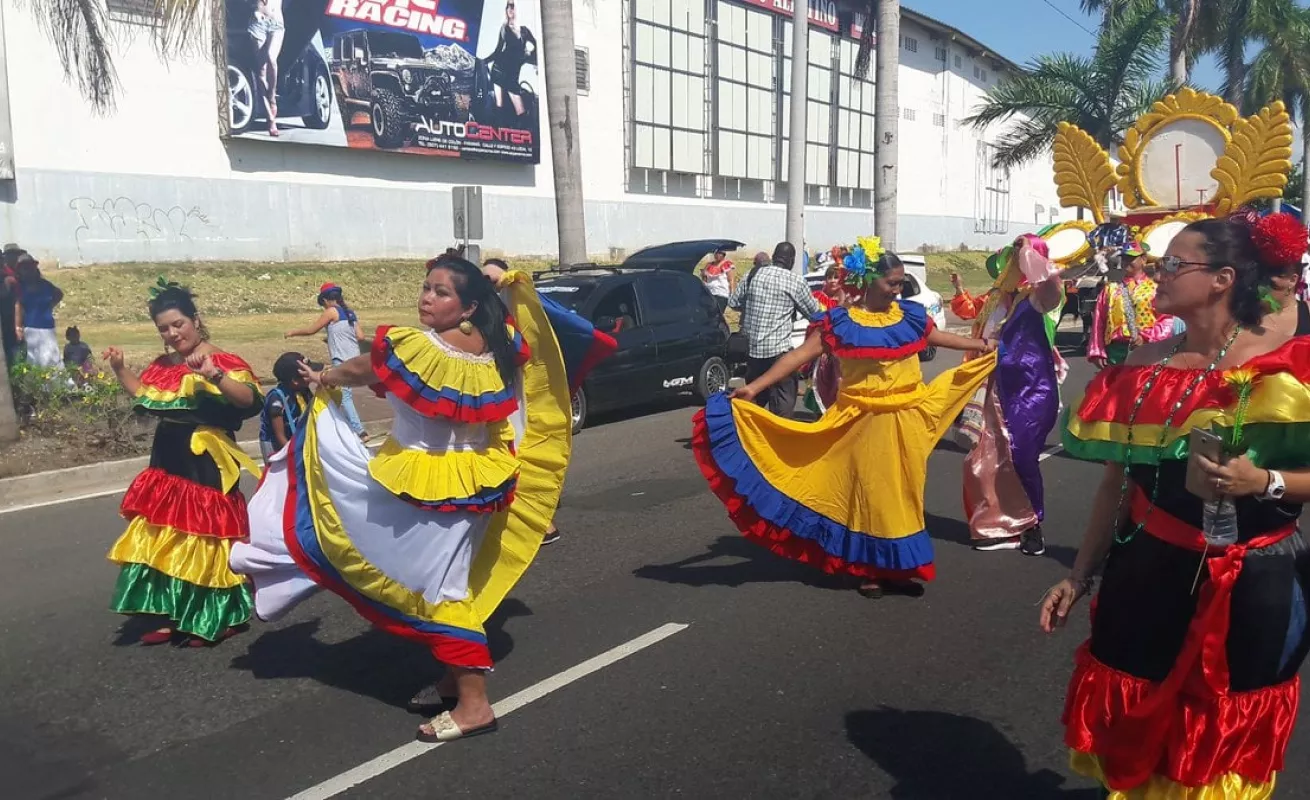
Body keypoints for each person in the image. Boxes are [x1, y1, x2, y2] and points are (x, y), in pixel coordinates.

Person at [230, 255, 572, 742]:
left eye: (441, 292)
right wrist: (500, 287)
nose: (427, 298)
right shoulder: (495, 341)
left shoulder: (420, 347)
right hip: (473, 482)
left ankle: (475, 705)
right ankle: (453, 681)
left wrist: (325, 379)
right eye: (426, 287)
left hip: (431, 486)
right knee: (443, 581)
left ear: (468, 306)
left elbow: (362, 367)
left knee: (436, 589)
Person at [1042, 216, 1310, 799]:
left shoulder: (1293, 365)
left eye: (1174, 265)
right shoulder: (1142, 364)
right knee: (1135, 714)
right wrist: (1079, 575)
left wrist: (1263, 481)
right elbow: (1117, 484)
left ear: (1222, 279)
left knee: (1225, 732)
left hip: (1255, 579)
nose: (1158, 274)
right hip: (1148, 572)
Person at [693, 240, 998, 598]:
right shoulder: (840, 323)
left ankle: (897, 566)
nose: (898, 289)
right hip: (860, 424)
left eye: (900, 283)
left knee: (903, 495)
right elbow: (797, 357)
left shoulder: (910, 316)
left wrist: (981, 346)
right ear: (869, 281)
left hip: (906, 422)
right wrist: (754, 387)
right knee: (869, 495)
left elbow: (938, 337)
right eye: (892, 283)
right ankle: (869, 570)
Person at [103, 280, 262, 646]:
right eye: (164, 328)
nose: (172, 334)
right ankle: (173, 611)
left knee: (205, 536)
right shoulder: (164, 366)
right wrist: (120, 368)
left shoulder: (221, 359)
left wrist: (214, 375)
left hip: (206, 458)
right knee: (168, 532)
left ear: (195, 320)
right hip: (168, 456)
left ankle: (217, 615)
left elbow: (248, 400)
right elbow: (145, 394)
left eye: (178, 324)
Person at [482, 257, 618, 546]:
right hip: (493, 394)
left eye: (491, 280)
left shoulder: (525, 306)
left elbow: (566, 325)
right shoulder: (484, 311)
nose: (488, 286)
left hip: (519, 395)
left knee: (518, 450)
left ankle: (539, 521)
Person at [949, 235, 1067, 556]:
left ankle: (1031, 524)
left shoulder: (1038, 297)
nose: (1014, 262)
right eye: (1013, 257)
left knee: (1022, 457)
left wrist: (1029, 250)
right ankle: (995, 524)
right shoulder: (996, 297)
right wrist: (959, 289)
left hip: (1029, 389)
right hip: (991, 386)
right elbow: (972, 316)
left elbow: (1050, 288)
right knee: (983, 459)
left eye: (1020, 257)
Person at [727, 242, 822, 418]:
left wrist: (755, 308)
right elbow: (815, 314)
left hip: (753, 353)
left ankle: (751, 433)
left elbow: (733, 302)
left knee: (754, 405)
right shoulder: (795, 281)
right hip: (779, 355)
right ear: (791, 260)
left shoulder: (752, 274)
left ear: (773, 257)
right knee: (782, 409)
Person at [286, 283, 369, 442]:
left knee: (344, 395)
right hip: (354, 356)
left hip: (341, 357)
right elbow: (360, 336)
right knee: (337, 393)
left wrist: (292, 332)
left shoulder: (331, 311)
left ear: (325, 300)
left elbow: (311, 330)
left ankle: (360, 431)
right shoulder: (349, 313)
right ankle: (338, 426)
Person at [1088, 240, 1176, 368]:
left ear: (1143, 259)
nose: (1126, 261)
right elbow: (1099, 320)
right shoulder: (1111, 288)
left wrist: (1145, 337)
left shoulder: (1155, 288)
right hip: (1114, 352)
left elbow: (1167, 320)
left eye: (1131, 258)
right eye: (1124, 258)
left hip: (1147, 350)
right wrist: (1097, 351)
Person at [1253, 212, 1310, 338]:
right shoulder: (1241, 318)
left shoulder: (1307, 314)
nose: (1260, 287)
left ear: (1293, 280)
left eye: (1270, 281)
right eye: (1258, 277)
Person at [259, 351, 313, 464]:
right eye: (307, 374)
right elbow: (279, 436)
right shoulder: (277, 398)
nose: (311, 375)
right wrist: (293, 454)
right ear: (295, 381)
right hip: (276, 445)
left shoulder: (303, 391)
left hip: (296, 440)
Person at [487, 0, 537, 118]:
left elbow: (537, 47)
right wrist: (484, 61)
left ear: (517, 8)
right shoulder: (504, 28)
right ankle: (499, 128)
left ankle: (517, 126)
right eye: (508, 6)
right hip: (499, 69)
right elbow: (498, 50)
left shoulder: (524, 31)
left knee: (520, 111)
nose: (510, 9)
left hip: (512, 74)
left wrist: (528, 56)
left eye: (512, 6)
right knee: (499, 106)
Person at [13, 254, 64, 368]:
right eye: (25, 268)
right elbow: (18, 305)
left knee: (51, 357)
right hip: (30, 327)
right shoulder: (20, 286)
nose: (28, 271)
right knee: (34, 358)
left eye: (30, 267)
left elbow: (59, 293)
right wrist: (18, 326)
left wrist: (50, 305)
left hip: (47, 326)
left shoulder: (44, 284)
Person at [248, 0, 285, 136]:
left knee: (271, 58)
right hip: (258, 23)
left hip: (276, 23)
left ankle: (272, 97)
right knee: (261, 71)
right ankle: (270, 119)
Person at [0, 243, 21, 363]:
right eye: (11, 255)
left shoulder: (17, 272)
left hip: (15, 314)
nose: (14, 258)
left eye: (15, 255)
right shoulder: (6, 275)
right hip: (7, 315)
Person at [702, 249, 736, 314]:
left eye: (720, 253)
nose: (717, 255)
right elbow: (704, 279)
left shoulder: (727, 264)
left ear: (723, 255)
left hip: (721, 294)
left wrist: (732, 294)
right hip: (709, 294)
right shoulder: (709, 265)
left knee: (717, 314)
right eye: (716, 253)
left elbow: (731, 280)